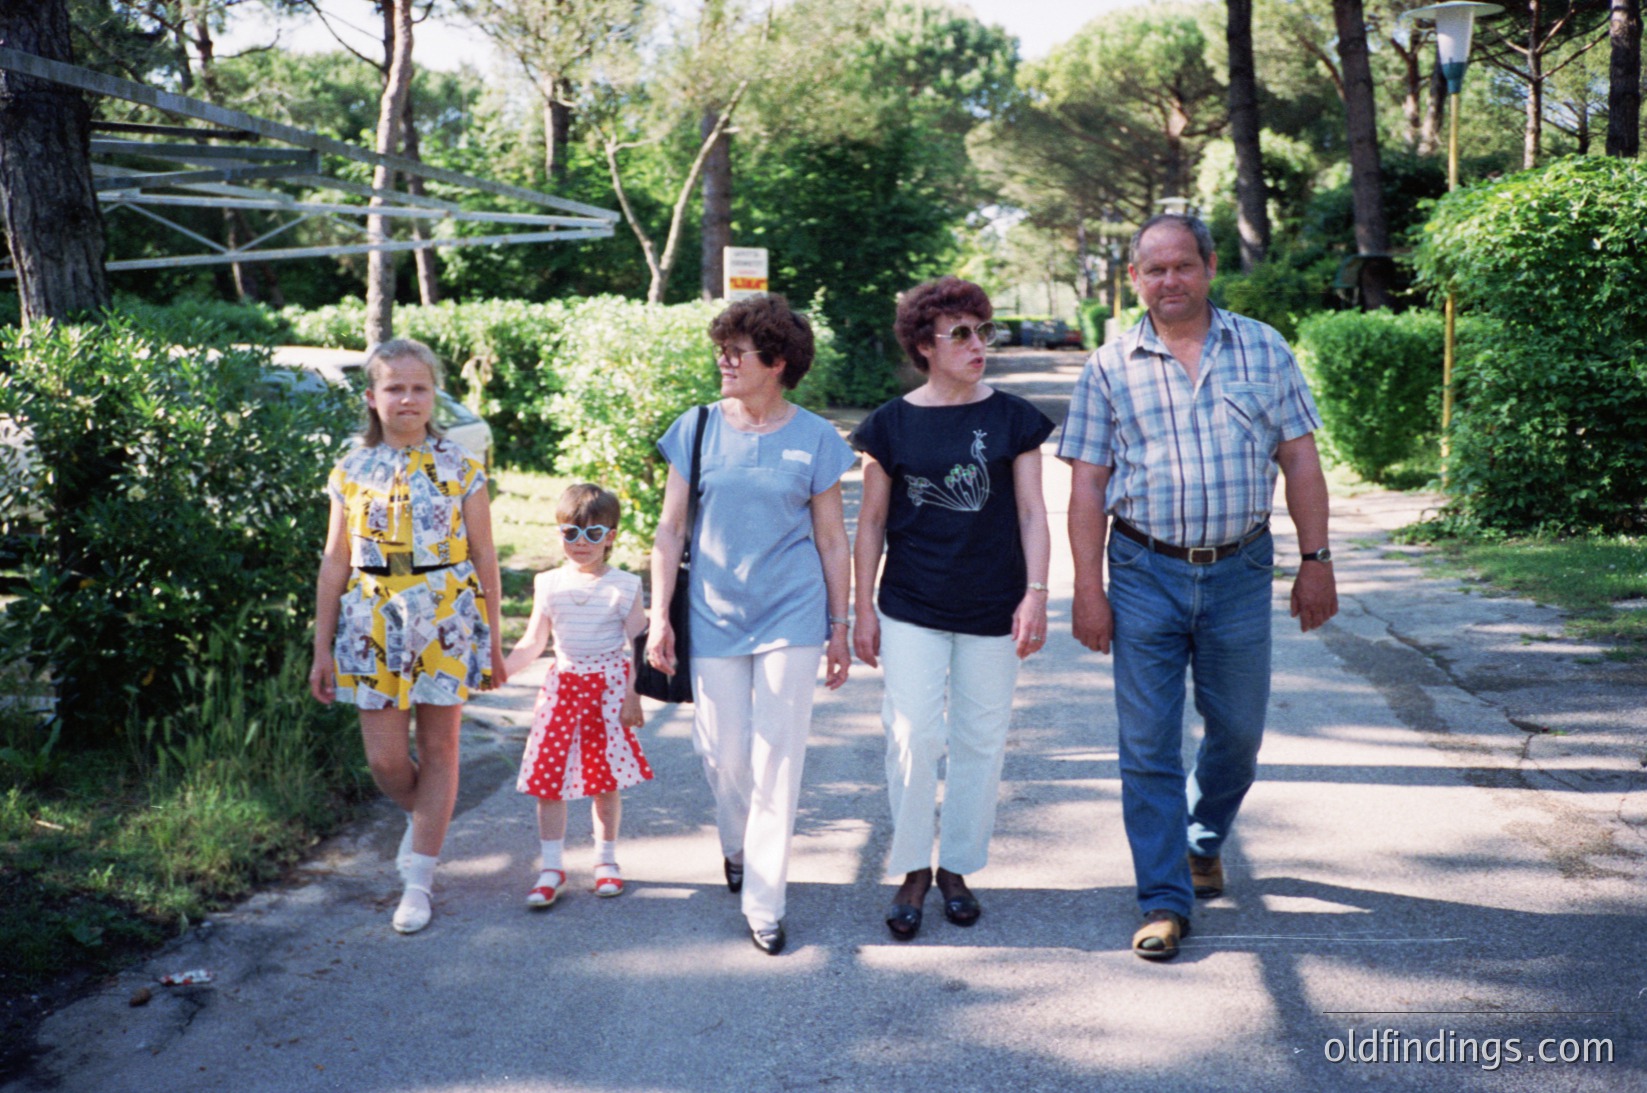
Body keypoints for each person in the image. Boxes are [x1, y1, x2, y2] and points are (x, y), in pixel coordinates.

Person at [1059, 214, 1338, 961]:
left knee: (1238, 735)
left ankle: (1202, 836)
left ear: (1210, 267)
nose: (1169, 281)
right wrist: (1087, 588)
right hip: (1143, 570)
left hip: (1240, 572)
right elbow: (1087, 486)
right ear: (1134, 280)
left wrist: (1317, 558)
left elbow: (1300, 460)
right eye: (1154, 270)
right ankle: (1161, 898)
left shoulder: (1262, 346)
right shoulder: (1107, 366)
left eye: (1182, 266)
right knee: (1146, 744)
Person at [646, 294, 855, 956]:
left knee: (777, 754)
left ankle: (765, 899)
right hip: (711, 613)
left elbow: (831, 539)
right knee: (722, 752)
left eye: (736, 352)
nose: (724, 361)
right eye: (722, 349)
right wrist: (657, 617)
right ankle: (736, 844)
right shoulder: (698, 426)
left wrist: (840, 623)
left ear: (778, 361)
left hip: (791, 612)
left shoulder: (816, 437)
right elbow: (669, 528)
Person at [850, 276, 1054, 941]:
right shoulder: (889, 423)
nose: (976, 344)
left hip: (994, 604)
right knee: (912, 736)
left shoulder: (1013, 417)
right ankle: (911, 866)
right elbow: (870, 523)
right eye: (959, 333)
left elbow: (1031, 511)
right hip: (910, 603)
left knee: (979, 738)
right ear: (923, 345)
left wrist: (1036, 593)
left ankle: (957, 867)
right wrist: (861, 609)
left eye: (981, 330)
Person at [310, 338, 507, 935]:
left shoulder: (461, 467)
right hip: (371, 619)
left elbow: (485, 555)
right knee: (386, 760)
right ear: (372, 398)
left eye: (420, 387)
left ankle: (418, 878)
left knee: (442, 749)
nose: (408, 398)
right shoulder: (350, 470)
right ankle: (424, 820)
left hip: (446, 615)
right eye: (395, 387)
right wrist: (321, 647)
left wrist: (494, 641)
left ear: (433, 396)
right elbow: (334, 560)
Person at [505, 484, 652, 909]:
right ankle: (552, 867)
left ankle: (605, 861)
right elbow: (534, 642)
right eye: (571, 534)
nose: (581, 544)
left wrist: (633, 697)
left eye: (593, 534)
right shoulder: (548, 582)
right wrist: (500, 669)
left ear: (611, 536)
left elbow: (638, 646)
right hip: (562, 689)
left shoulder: (624, 586)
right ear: (559, 534)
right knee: (549, 780)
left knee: (603, 781)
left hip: (609, 689)